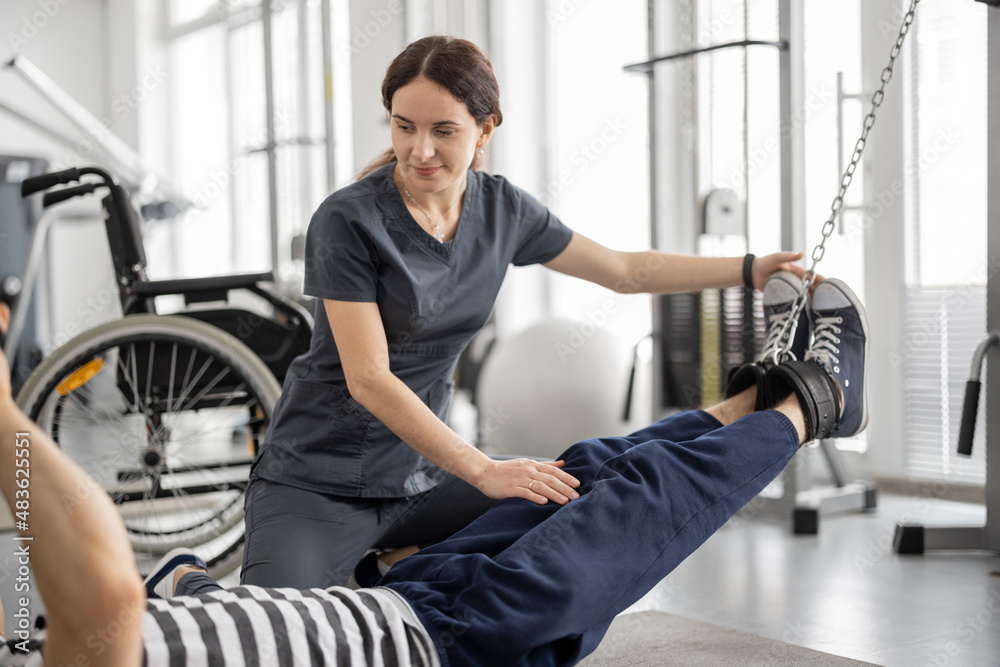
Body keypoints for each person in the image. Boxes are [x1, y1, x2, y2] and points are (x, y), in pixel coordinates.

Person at [0, 273, 869, 666]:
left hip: (393, 598)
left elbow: (160, 591)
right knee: (633, 507)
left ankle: (756, 402)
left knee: (582, 469)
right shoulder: (86, 647)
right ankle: (810, 404)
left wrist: (193, 585)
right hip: (455, 644)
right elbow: (107, 605)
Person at [242, 33, 814, 589]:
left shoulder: (502, 210)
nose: (420, 150)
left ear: (485, 130)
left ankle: (395, 568)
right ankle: (195, 578)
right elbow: (368, 379)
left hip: (424, 477)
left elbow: (620, 270)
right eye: (404, 126)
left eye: (444, 131)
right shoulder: (347, 219)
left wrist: (748, 270)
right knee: (266, 634)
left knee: (576, 499)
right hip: (317, 478)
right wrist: (484, 471)